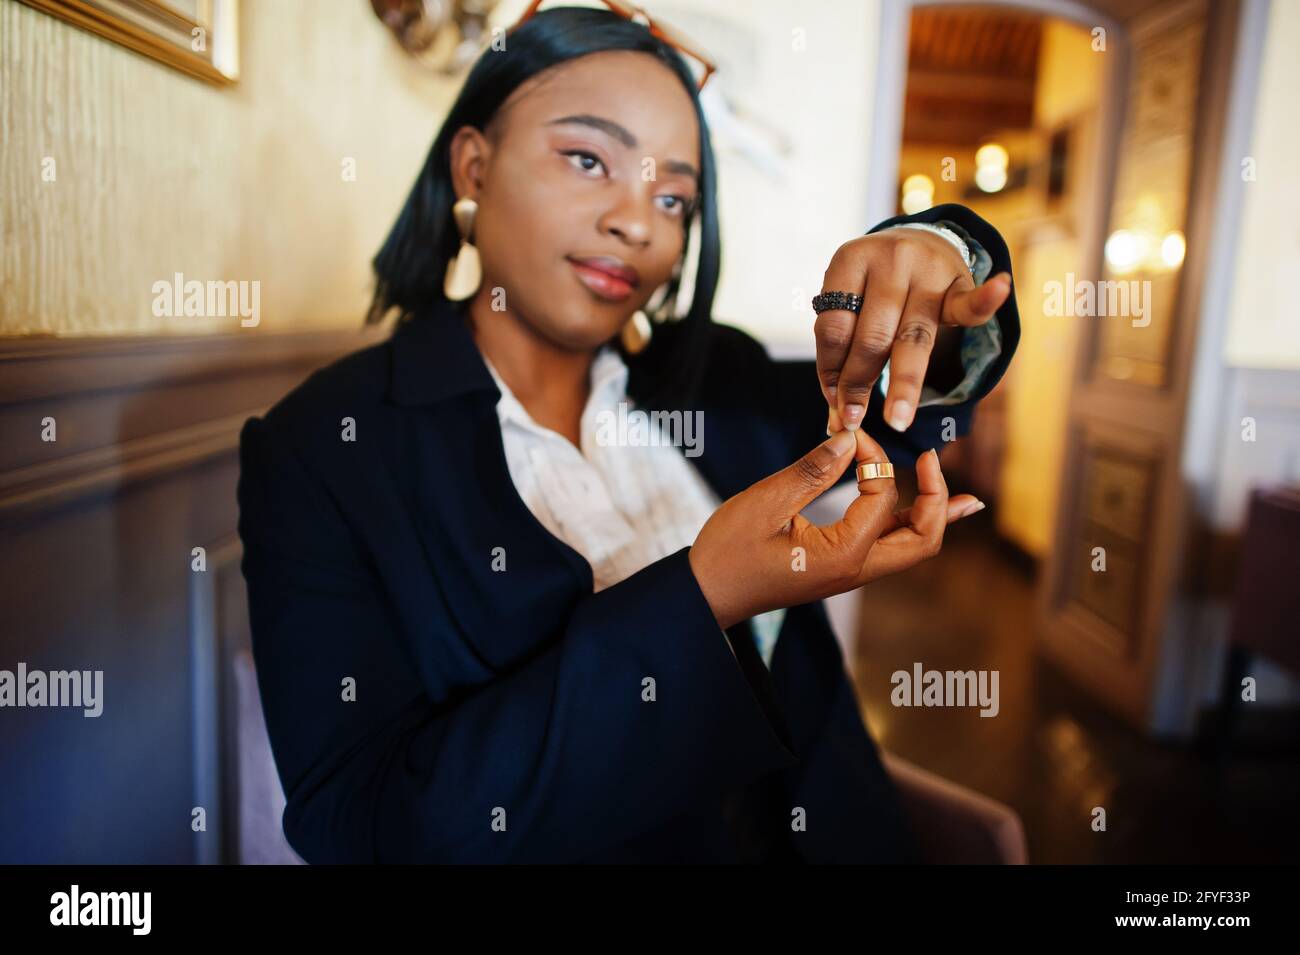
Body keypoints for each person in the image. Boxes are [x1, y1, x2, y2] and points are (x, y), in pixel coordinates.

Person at [236, 4, 1019, 864]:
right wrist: (702, 594)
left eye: (674, 196)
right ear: (473, 165)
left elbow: (919, 413)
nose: (639, 223)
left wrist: (936, 261)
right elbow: (366, 824)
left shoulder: (711, 379)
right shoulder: (329, 451)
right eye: (586, 158)